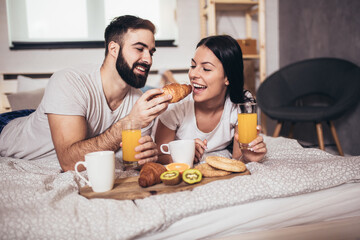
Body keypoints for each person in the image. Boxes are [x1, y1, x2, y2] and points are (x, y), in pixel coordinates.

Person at [0, 15, 172, 171]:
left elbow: (131, 161)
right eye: (139, 49)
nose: (148, 59)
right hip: (8, 130)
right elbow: (69, 162)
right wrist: (131, 121)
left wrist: (145, 156)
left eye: (151, 52)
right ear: (114, 49)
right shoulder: (69, 81)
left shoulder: (139, 102)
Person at [155, 35, 267, 165]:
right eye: (193, 65)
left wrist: (248, 156)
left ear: (228, 77)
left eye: (206, 69)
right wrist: (186, 154)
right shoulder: (177, 105)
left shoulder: (242, 104)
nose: (193, 74)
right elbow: (159, 155)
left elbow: (237, 158)